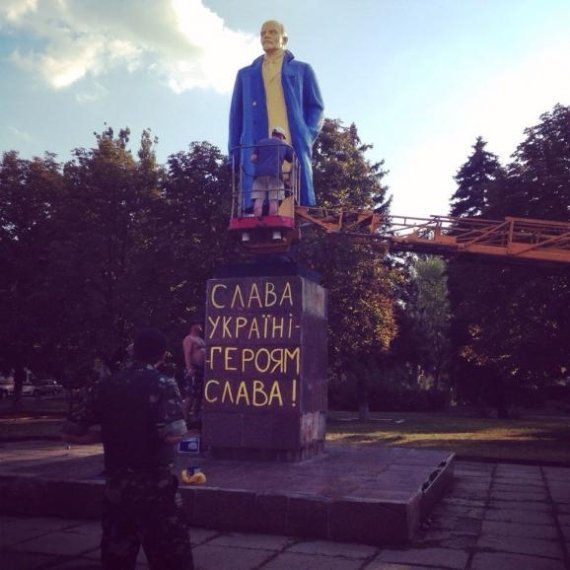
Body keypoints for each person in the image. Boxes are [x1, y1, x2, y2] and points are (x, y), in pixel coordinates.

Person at [62, 327, 193, 570]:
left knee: (117, 557)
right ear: (162, 355)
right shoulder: (163, 383)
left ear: (133, 351)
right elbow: (173, 435)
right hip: (155, 488)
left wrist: (113, 433)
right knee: (171, 558)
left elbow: (71, 432)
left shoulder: (106, 384)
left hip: (117, 488)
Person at [229, 19, 324, 209]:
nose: (266, 36)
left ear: (284, 38)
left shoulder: (303, 70)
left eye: (272, 32)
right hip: (256, 148)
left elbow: (316, 107)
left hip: (291, 144)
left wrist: (306, 135)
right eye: (263, 33)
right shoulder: (245, 75)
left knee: (297, 197)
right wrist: (234, 152)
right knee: (255, 198)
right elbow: (235, 118)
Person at [251, 126, 293, 216]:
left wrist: (262, 162)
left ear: (273, 134)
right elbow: (291, 159)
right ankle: (272, 220)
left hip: (259, 175)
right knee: (273, 200)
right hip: (275, 174)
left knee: (258, 200)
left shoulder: (261, 142)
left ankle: (257, 219)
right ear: (281, 136)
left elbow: (253, 158)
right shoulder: (283, 145)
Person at [182, 321, 206, 421]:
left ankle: (195, 417)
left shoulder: (201, 340)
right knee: (190, 394)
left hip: (202, 369)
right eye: (198, 324)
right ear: (193, 326)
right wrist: (189, 368)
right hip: (193, 368)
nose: (200, 326)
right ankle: (185, 418)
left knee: (199, 395)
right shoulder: (189, 339)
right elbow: (187, 354)